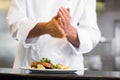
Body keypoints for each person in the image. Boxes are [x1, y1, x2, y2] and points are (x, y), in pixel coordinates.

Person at [7, 0, 101, 69]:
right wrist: (46, 27)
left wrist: (68, 30)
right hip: (29, 67)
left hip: (70, 69)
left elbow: (91, 36)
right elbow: (14, 24)